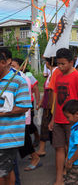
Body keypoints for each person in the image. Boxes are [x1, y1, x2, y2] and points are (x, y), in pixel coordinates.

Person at [48, 48, 78, 185]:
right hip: (58, 119)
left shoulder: (77, 76)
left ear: (71, 62)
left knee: (73, 148)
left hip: (73, 120)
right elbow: (56, 97)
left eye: (63, 64)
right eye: (58, 63)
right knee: (58, 148)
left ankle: (75, 173)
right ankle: (59, 177)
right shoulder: (57, 74)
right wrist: (52, 118)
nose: (60, 66)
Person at [0, 48, 31, 185]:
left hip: (8, 135)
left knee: (4, 172)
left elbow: (24, 106)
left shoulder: (19, 81)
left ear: (6, 62)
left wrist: (4, 112)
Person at [11, 58, 40, 147]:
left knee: (29, 124)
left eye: (14, 66)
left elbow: (35, 88)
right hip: (18, 103)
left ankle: (36, 136)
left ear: (22, 66)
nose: (11, 68)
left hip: (28, 102)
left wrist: (38, 102)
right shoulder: (12, 76)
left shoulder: (28, 75)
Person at [36, 57, 57, 157]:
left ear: (48, 63)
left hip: (51, 106)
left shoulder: (56, 73)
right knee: (44, 127)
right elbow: (45, 91)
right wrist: (40, 102)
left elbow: (52, 92)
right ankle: (42, 149)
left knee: (49, 127)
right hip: (46, 105)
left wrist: (51, 106)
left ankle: (48, 148)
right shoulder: (50, 73)